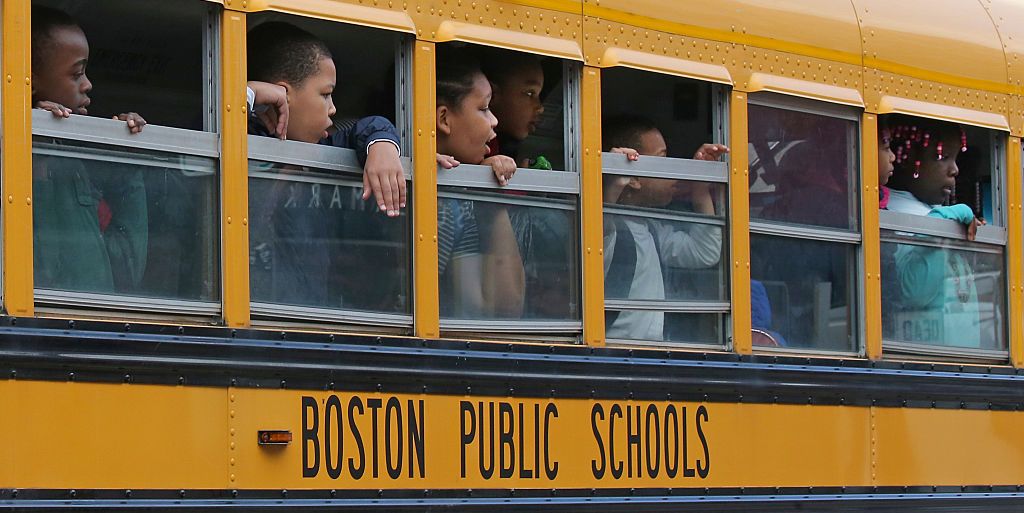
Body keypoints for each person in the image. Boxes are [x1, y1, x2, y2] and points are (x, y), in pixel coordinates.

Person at [245, 22, 406, 307]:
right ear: (283, 94)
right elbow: (214, 121)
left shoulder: (321, 150)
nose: (333, 108)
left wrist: (382, 144)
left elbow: (368, 126)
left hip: (309, 314)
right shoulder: (243, 137)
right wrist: (248, 95)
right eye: (325, 94)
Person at [31, 6, 148, 293]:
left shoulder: (78, 160)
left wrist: (124, 156)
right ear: (29, 80)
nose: (88, 84)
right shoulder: (24, 155)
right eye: (76, 74)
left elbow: (127, 264)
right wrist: (38, 150)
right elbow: (44, 267)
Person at [602, 114, 727, 341]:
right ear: (633, 178)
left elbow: (704, 252)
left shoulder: (651, 229)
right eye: (663, 159)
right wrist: (613, 186)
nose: (672, 170)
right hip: (617, 356)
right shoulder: (611, 229)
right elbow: (599, 237)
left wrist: (699, 189)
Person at [434, 47, 524, 318]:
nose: (495, 120)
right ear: (444, 119)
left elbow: (502, 305)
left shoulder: (460, 203)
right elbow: (503, 308)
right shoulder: (455, 206)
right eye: (484, 108)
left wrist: (488, 189)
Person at [881, 114, 984, 347]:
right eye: (941, 156)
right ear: (905, 159)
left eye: (956, 159)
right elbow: (915, 291)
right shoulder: (894, 218)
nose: (955, 169)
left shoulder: (935, 211)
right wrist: (943, 220)